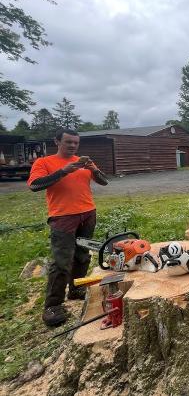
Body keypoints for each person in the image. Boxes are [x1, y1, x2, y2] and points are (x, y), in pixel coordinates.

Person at [27, 128, 109, 326]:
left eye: (75, 143)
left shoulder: (83, 162)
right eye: (68, 142)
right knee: (61, 261)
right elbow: (35, 185)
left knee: (82, 254)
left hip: (88, 213)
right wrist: (63, 171)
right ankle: (53, 305)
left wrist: (92, 168)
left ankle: (76, 288)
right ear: (57, 142)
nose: (73, 145)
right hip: (62, 216)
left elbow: (104, 182)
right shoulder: (44, 162)